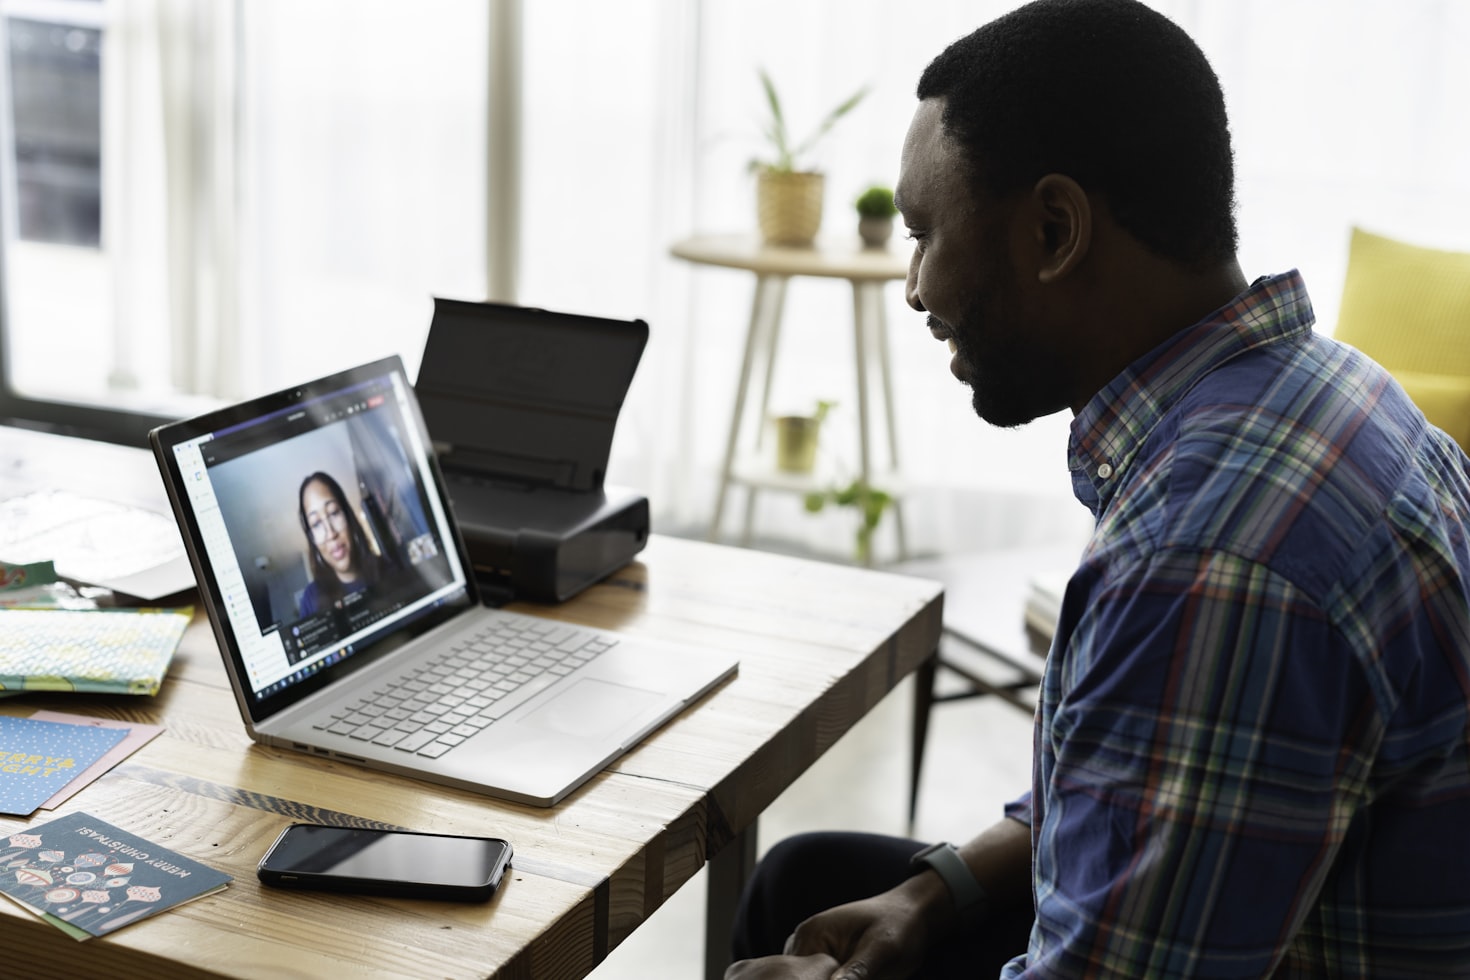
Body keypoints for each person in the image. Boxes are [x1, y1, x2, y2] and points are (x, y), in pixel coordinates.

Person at [725, 1, 1470, 978]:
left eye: (925, 233)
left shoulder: (1208, 554)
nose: (914, 285)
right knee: (806, 879)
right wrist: (931, 889)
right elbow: (1143, 783)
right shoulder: (1328, 389)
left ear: (1053, 229)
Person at [296, 470, 395, 616]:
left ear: (348, 517)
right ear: (312, 540)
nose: (330, 533)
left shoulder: (387, 568)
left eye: (334, 513)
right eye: (316, 523)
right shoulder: (311, 600)